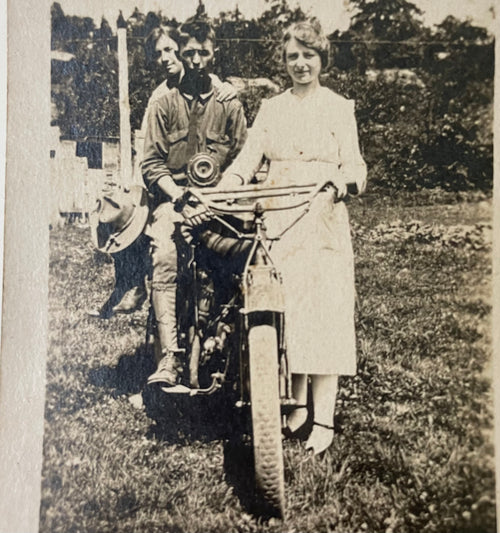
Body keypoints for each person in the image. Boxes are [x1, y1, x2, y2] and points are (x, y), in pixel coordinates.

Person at [218, 20, 367, 456]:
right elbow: (246, 163)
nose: (300, 64)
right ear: (283, 62)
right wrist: (222, 191)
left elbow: (356, 168)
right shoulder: (270, 108)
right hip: (278, 221)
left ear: (322, 59)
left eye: (309, 55)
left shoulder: (340, 107)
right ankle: (295, 404)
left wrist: (339, 186)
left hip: (321, 218)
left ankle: (323, 420)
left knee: (325, 316)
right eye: (292, 56)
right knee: (286, 314)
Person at [89, 24, 238, 319]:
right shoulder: (161, 97)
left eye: (170, 50)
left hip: (211, 189)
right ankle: (134, 284)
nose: (166, 58)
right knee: (133, 216)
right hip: (168, 186)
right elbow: (150, 153)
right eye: (158, 53)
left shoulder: (219, 92)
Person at [142, 13, 248, 386]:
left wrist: (216, 200)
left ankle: (232, 348)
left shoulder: (229, 102)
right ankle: (169, 356)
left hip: (221, 201)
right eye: (189, 53)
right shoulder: (164, 101)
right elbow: (151, 164)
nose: (196, 60)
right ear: (181, 53)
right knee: (166, 256)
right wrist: (180, 197)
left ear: (214, 52)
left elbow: (243, 159)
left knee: (245, 256)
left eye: (203, 52)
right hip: (174, 201)